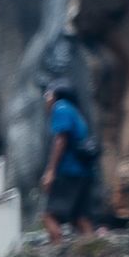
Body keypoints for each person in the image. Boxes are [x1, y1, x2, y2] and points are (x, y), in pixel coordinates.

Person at [42, 79, 101, 242]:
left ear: (55, 96)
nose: (46, 99)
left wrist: (51, 171)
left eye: (47, 94)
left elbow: (61, 139)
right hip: (85, 173)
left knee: (49, 216)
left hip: (69, 172)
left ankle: (57, 256)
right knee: (81, 219)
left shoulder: (60, 108)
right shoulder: (76, 113)